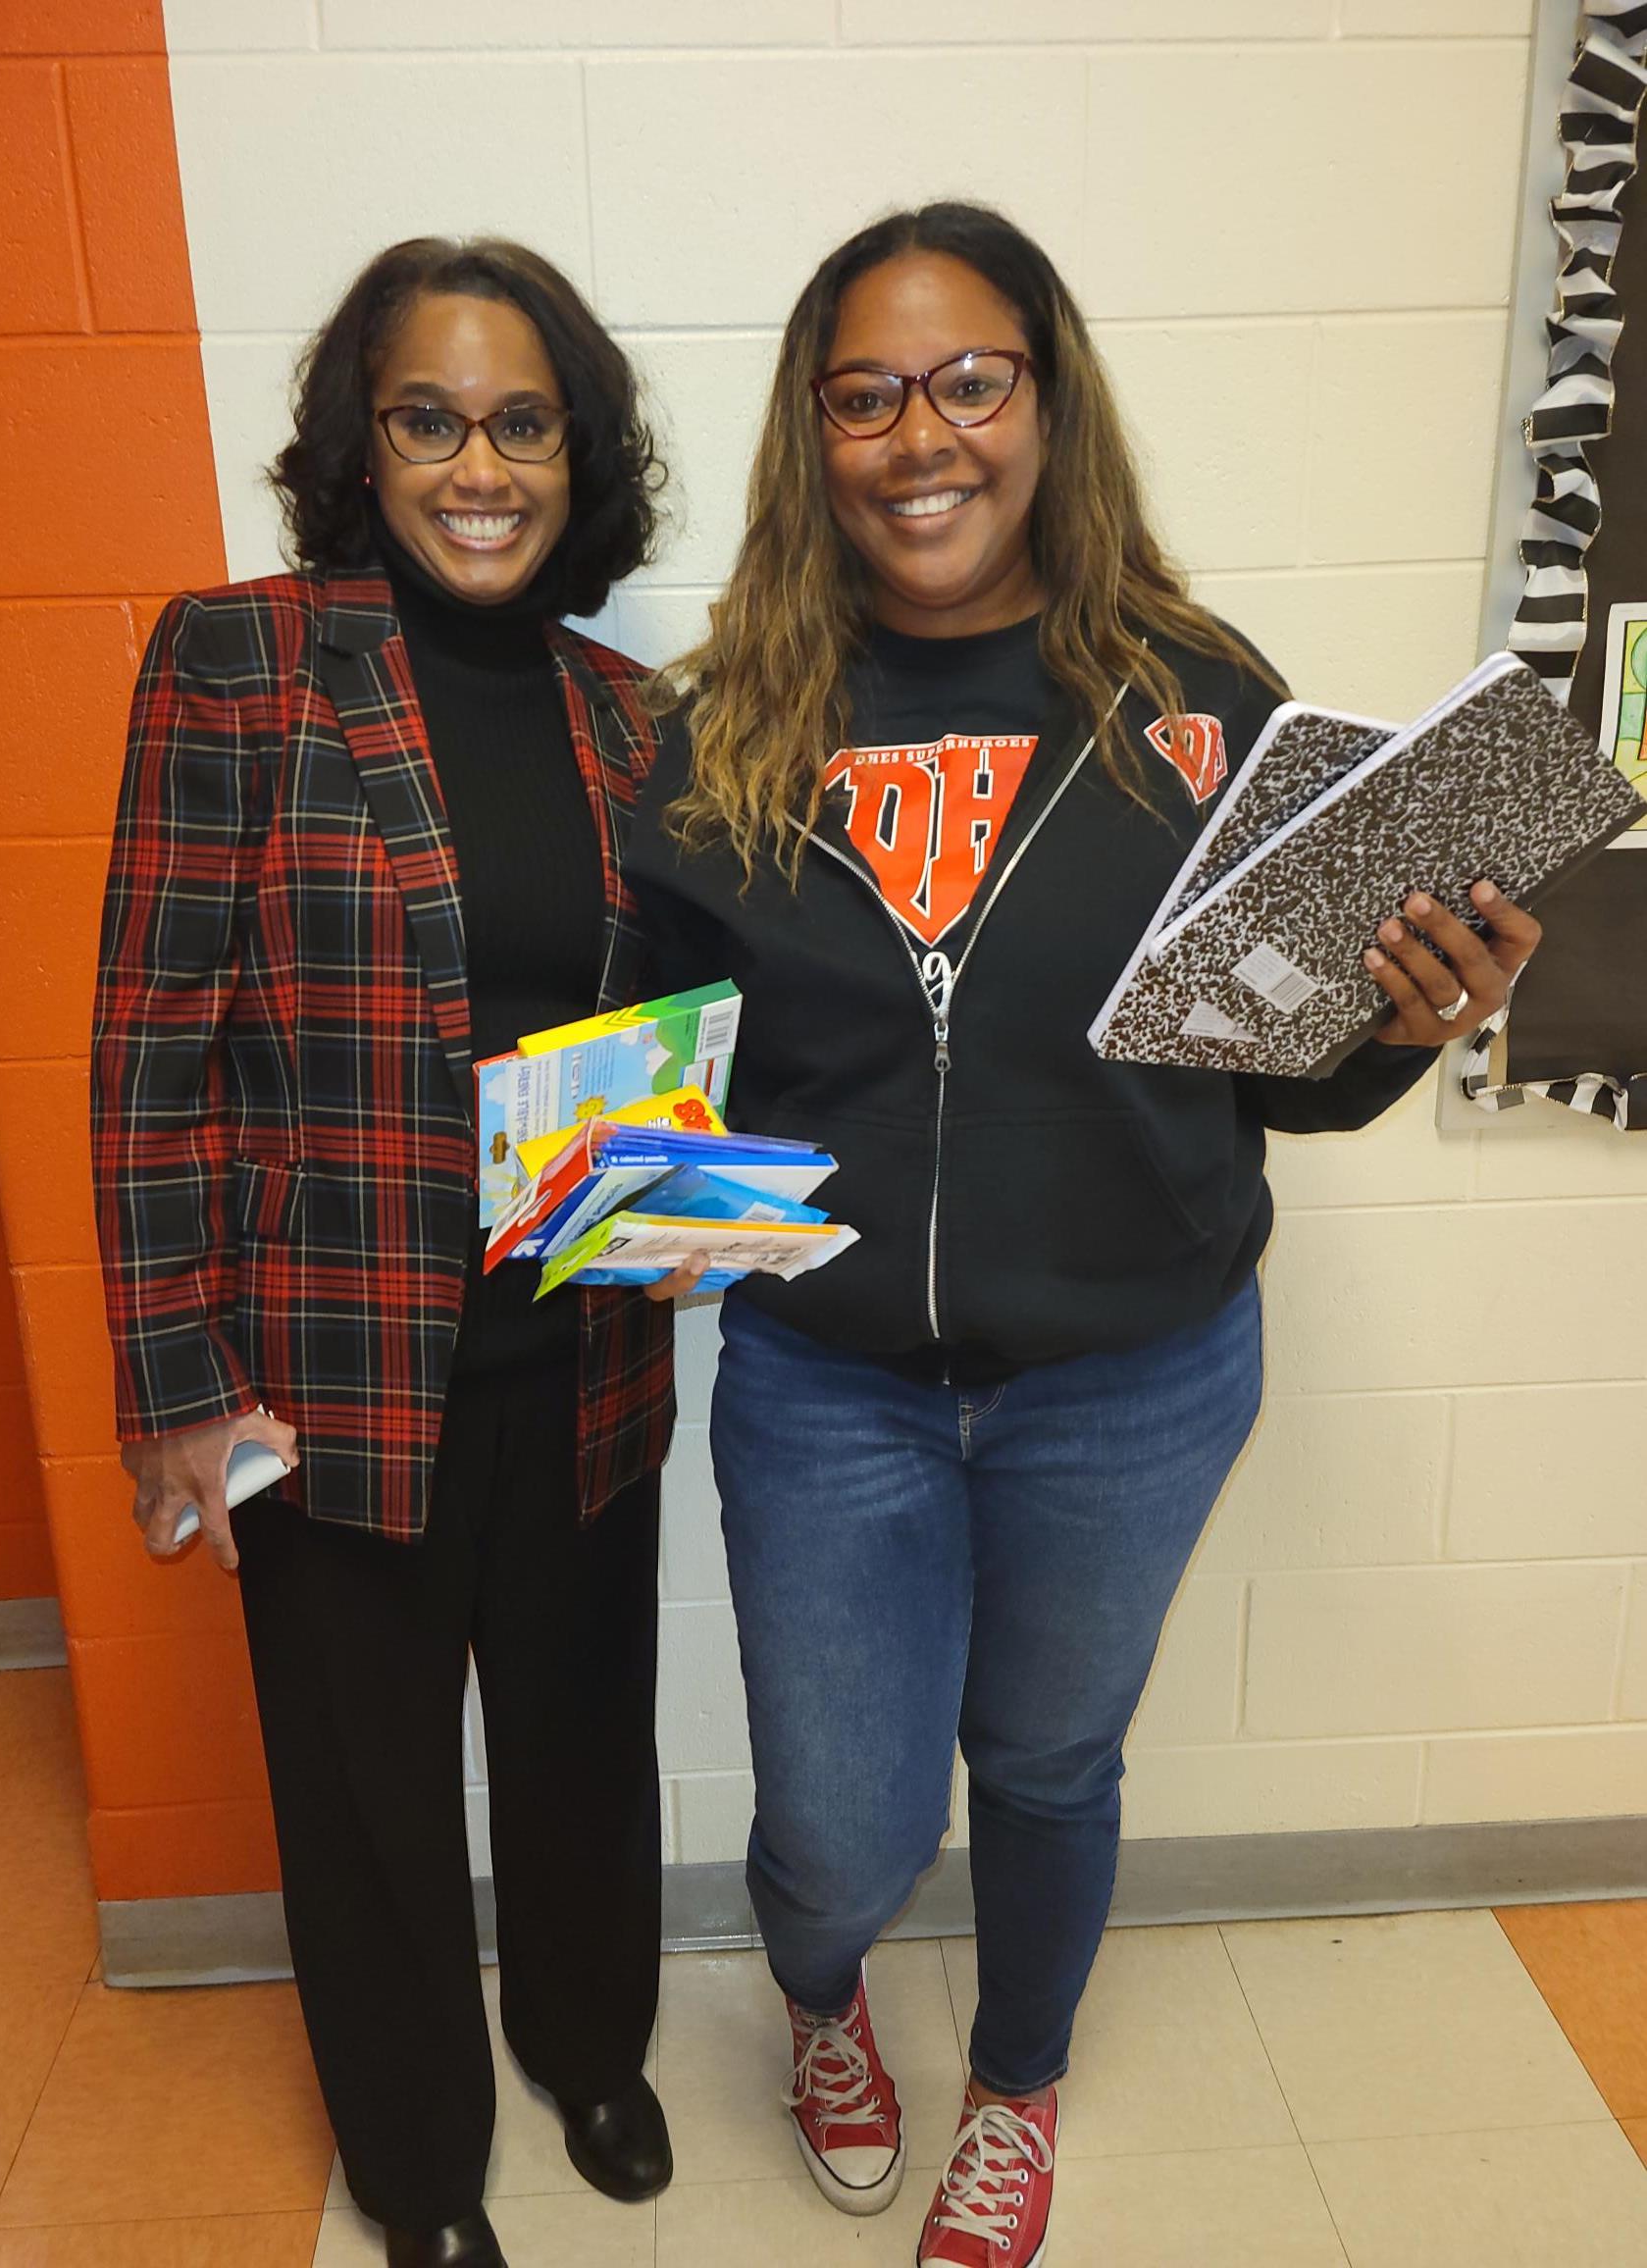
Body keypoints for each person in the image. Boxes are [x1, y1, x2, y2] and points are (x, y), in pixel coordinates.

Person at [627, 202, 1542, 2267]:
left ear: (1048, 404)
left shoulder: (1201, 701)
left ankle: (1017, 2086)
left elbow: (1282, 1075)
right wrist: (629, 1187)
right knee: (840, 1827)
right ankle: (821, 1994)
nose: (918, 434)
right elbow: (654, 1067)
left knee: (1050, 1763)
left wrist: (1410, 1024)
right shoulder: (719, 726)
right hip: (830, 1388)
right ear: (811, 430)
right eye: (863, 394)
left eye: (971, 381)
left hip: (1136, 1378)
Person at [92, 237, 678, 2268]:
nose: (478, 468)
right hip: (322, 1379)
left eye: (522, 425)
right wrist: (179, 1387)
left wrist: (706, 1197)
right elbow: (150, 1048)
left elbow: (653, 1033)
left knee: (585, 1752)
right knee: (368, 1801)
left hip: (584, 1354)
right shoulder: (240, 662)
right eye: (428, 422)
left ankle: (590, 2049)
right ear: (363, 444)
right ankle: (419, 2163)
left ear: (577, 455)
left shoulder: (631, 714)